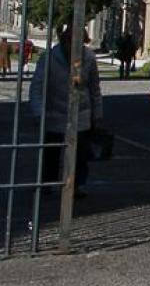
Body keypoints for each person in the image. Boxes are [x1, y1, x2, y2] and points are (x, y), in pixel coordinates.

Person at [28, 25, 103, 199]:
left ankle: (76, 185)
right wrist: (39, 112)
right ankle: (46, 183)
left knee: (79, 153)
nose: (74, 47)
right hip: (55, 112)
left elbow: (94, 89)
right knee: (52, 151)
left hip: (80, 113)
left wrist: (97, 115)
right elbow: (37, 87)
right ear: (64, 42)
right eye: (70, 43)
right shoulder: (50, 57)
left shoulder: (89, 58)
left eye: (80, 43)